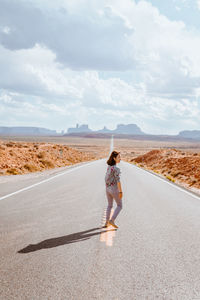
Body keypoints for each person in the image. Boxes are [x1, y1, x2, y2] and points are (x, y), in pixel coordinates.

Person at [103, 150, 123, 229]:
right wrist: (121, 191)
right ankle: (112, 220)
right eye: (119, 157)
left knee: (110, 205)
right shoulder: (116, 169)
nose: (120, 159)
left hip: (107, 188)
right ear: (114, 158)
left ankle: (107, 222)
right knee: (120, 205)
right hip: (114, 189)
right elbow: (118, 181)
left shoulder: (109, 167)